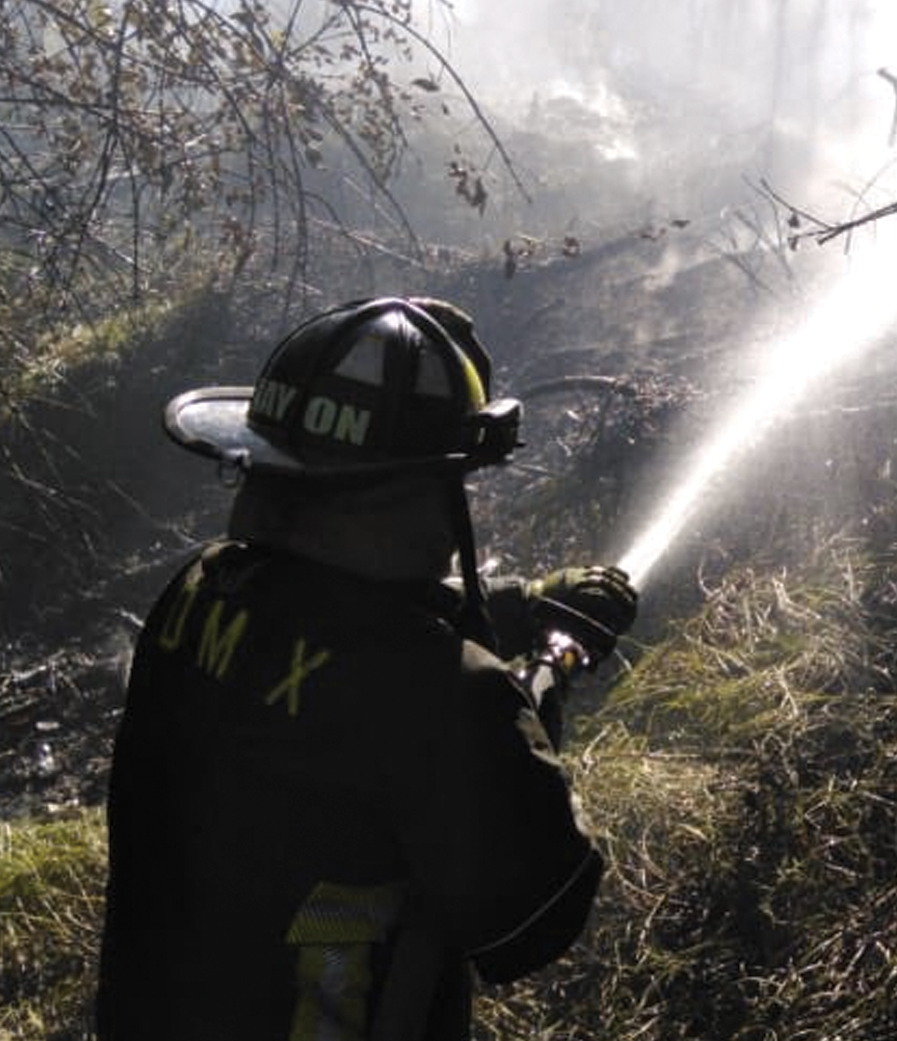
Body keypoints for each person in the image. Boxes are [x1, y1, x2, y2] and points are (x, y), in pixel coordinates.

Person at [95, 296, 638, 1040]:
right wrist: (531, 702)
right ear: (430, 485)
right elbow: (535, 922)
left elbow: (331, 626)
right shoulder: (448, 698)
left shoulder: (198, 591)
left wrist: (517, 606)